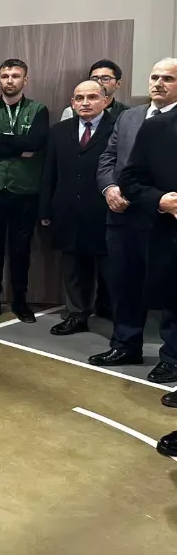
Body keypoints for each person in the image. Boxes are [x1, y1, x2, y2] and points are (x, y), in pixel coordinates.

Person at [91, 58, 177, 384]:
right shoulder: (129, 117)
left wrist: (159, 199)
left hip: (164, 220)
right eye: (154, 77)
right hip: (123, 216)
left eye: (168, 78)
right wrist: (110, 188)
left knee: (170, 291)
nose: (158, 83)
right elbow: (108, 157)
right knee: (125, 284)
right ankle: (125, 345)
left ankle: (172, 358)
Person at [117, 71, 177, 455]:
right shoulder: (157, 128)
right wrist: (161, 200)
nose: (158, 83)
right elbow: (131, 178)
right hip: (171, 238)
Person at [0, 59, 49, 322]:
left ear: (25, 80)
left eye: (15, 75)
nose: (10, 80)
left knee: (21, 249)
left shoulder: (38, 110)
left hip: (25, 190)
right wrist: (19, 148)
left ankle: (20, 301)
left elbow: (36, 143)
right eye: (5, 76)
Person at [38, 80, 115, 335]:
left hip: (105, 211)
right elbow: (49, 172)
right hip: (68, 210)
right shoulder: (59, 131)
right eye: (79, 98)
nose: (85, 103)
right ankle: (77, 315)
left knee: (112, 269)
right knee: (72, 268)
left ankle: (120, 320)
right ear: (72, 103)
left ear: (105, 100)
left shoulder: (118, 128)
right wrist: (45, 209)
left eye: (92, 97)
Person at [58, 60, 129, 121]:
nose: (99, 82)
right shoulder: (72, 111)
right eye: (94, 79)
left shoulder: (128, 113)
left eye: (105, 79)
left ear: (118, 83)